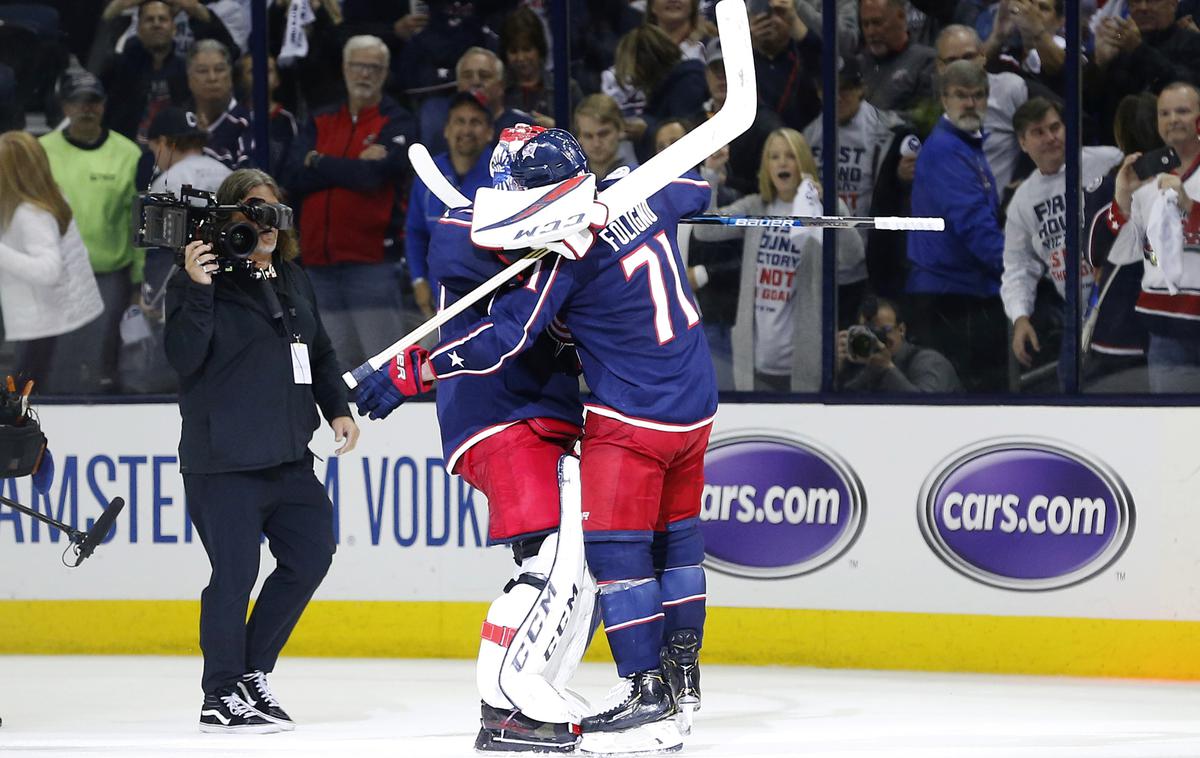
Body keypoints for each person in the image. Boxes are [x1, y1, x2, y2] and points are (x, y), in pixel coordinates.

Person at [356, 128, 717, 750]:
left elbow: (510, 334)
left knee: (616, 554)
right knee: (677, 543)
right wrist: (621, 199)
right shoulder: (643, 193)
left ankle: (646, 696)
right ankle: (683, 681)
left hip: (635, 417)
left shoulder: (565, 252)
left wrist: (416, 370)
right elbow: (696, 188)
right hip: (696, 406)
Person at [165, 168, 358, 733]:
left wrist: (338, 407)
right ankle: (219, 693)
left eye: (274, 211)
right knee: (234, 575)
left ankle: (249, 674)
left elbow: (319, 352)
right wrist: (198, 289)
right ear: (228, 219)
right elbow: (182, 358)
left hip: (288, 458)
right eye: (252, 211)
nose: (265, 223)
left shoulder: (293, 277)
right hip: (223, 462)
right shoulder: (199, 280)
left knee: (311, 554)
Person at [691, 127, 866, 392]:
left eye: (790, 156)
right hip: (754, 359)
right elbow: (705, 230)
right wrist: (711, 175)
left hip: (804, 360)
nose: (782, 162)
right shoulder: (755, 208)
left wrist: (830, 206)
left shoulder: (817, 211)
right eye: (774, 157)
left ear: (803, 163)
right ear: (766, 166)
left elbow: (853, 257)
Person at [284, 34, 418, 373]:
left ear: (385, 73)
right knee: (329, 364)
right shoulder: (320, 119)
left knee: (384, 364)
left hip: (371, 265)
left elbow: (373, 178)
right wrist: (353, 163)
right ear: (345, 69)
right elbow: (292, 178)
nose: (365, 74)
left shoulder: (398, 121)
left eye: (374, 68)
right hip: (317, 264)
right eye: (358, 66)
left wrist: (319, 161)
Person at [1001, 97, 1123, 380]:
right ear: (1022, 143)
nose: (1050, 137)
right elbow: (1018, 265)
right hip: (1075, 309)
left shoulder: (1108, 161)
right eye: (1038, 132)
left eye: (1055, 127)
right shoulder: (1023, 201)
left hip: (1118, 296)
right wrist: (1020, 316)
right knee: (1070, 380)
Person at [906, 60, 1009, 393]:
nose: (970, 104)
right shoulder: (947, 151)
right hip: (952, 299)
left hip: (960, 292)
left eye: (977, 95)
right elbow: (975, 228)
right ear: (944, 99)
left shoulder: (965, 145)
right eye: (961, 96)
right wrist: (1016, 270)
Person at [39, 70, 142, 394]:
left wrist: (139, 280)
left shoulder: (129, 154)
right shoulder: (39, 151)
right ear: (64, 106)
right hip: (55, 275)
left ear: (104, 105)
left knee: (101, 359)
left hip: (108, 275)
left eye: (93, 101)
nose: (86, 108)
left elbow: (137, 221)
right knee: (50, 360)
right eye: (78, 101)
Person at [1105, 81, 1200, 392]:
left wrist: (1189, 206)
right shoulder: (1145, 175)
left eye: (1182, 111)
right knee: (1173, 436)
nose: (1173, 119)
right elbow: (1122, 252)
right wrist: (1121, 199)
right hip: (1165, 329)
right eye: (1165, 113)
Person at [803, 55, 917, 301]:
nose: (838, 96)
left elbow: (903, 190)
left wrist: (901, 180)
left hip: (874, 260)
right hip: (821, 257)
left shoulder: (890, 131)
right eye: (830, 89)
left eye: (846, 88)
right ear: (819, 92)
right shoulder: (807, 135)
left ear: (861, 88)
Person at [0, 132, 103, 393]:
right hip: (62, 318)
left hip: (48, 325)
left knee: (32, 399)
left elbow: (48, 270)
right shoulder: (48, 196)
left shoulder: (32, 213)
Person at [404, 91, 495, 318]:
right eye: (459, 121)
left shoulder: (503, 174)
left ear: (489, 132)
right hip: (439, 304)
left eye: (475, 122)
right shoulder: (428, 172)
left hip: (492, 300)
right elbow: (415, 233)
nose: (466, 130)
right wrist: (418, 280)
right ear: (446, 129)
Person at [935, 24, 1030, 194]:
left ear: (983, 56)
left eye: (968, 56)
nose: (962, 65)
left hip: (1004, 209)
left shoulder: (1011, 88)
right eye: (951, 60)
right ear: (940, 67)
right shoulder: (932, 105)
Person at [97, 0, 189, 143]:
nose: (156, 24)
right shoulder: (120, 66)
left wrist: (194, 8)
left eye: (162, 19)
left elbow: (229, 51)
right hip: (125, 148)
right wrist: (119, 6)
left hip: (175, 150)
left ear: (174, 29)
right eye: (149, 19)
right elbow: (97, 51)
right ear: (138, 29)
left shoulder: (185, 69)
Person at [837, 295, 962, 391]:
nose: (876, 339)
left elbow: (924, 410)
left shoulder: (930, 361)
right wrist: (837, 371)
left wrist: (887, 367)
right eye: (868, 332)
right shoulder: (864, 364)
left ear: (901, 330)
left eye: (884, 330)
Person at [750, 0, 822, 133]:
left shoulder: (803, 53)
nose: (770, 21)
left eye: (778, 13)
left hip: (800, 143)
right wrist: (747, 39)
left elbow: (823, 64)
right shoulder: (740, 57)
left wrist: (794, 22)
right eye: (761, 15)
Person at [858, 0, 937, 116]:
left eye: (877, 23)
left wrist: (877, 120)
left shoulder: (927, 61)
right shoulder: (857, 64)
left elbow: (924, 117)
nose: (871, 32)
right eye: (865, 24)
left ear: (901, 16)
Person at [185, 39, 251, 169]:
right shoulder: (181, 122)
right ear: (189, 80)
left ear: (230, 77)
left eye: (219, 69)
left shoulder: (246, 124)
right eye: (202, 71)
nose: (212, 78)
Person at [573, 93, 638, 180]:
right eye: (588, 136)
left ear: (620, 130)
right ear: (579, 138)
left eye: (603, 134)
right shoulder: (570, 176)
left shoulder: (639, 172)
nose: (596, 144)